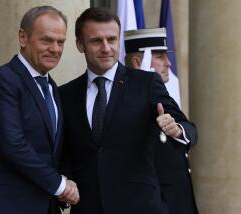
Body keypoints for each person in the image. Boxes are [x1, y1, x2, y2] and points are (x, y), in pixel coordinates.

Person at [59, 8, 197, 214]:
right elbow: (65, 152)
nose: (106, 48)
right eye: (97, 41)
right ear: (80, 45)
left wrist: (177, 129)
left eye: (112, 39)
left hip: (141, 207)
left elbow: (188, 128)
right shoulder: (65, 94)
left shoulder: (146, 83)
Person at [0, 6, 79, 214]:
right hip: (4, 205)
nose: (55, 49)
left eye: (60, 42)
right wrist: (61, 185)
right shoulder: (1, 80)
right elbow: (13, 145)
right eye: (46, 40)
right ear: (22, 37)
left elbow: (52, 151)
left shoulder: (51, 87)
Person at [124, 27, 199, 214]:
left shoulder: (159, 94)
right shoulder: (124, 98)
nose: (168, 63)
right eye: (160, 57)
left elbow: (189, 129)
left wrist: (178, 130)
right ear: (137, 62)